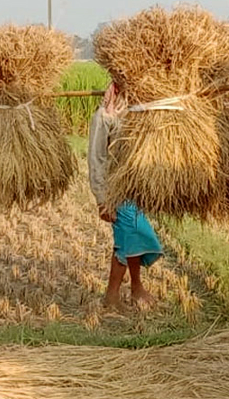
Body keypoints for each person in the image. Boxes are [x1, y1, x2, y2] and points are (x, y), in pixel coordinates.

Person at [87, 82, 163, 308]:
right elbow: (96, 159)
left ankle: (132, 289)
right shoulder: (103, 116)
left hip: (135, 188)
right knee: (130, 237)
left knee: (132, 238)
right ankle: (117, 294)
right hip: (114, 189)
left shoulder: (137, 111)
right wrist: (101, 199)